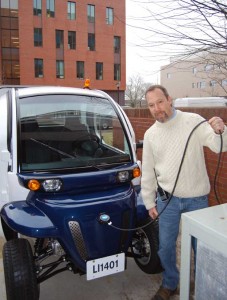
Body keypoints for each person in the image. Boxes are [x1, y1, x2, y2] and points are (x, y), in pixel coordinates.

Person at [141, 85, 227, 300]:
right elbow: (148, 171)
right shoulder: (150, 134)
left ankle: (202, 286)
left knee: (202, 248)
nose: (157, 108)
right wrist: (149, 202)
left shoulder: (193, 121)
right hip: (167, 200)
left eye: (160, 102)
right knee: (165, 247)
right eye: (151, 105)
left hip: (196, 199)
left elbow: (219, 146)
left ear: (170, 99)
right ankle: (170, 283)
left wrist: (221, 128)